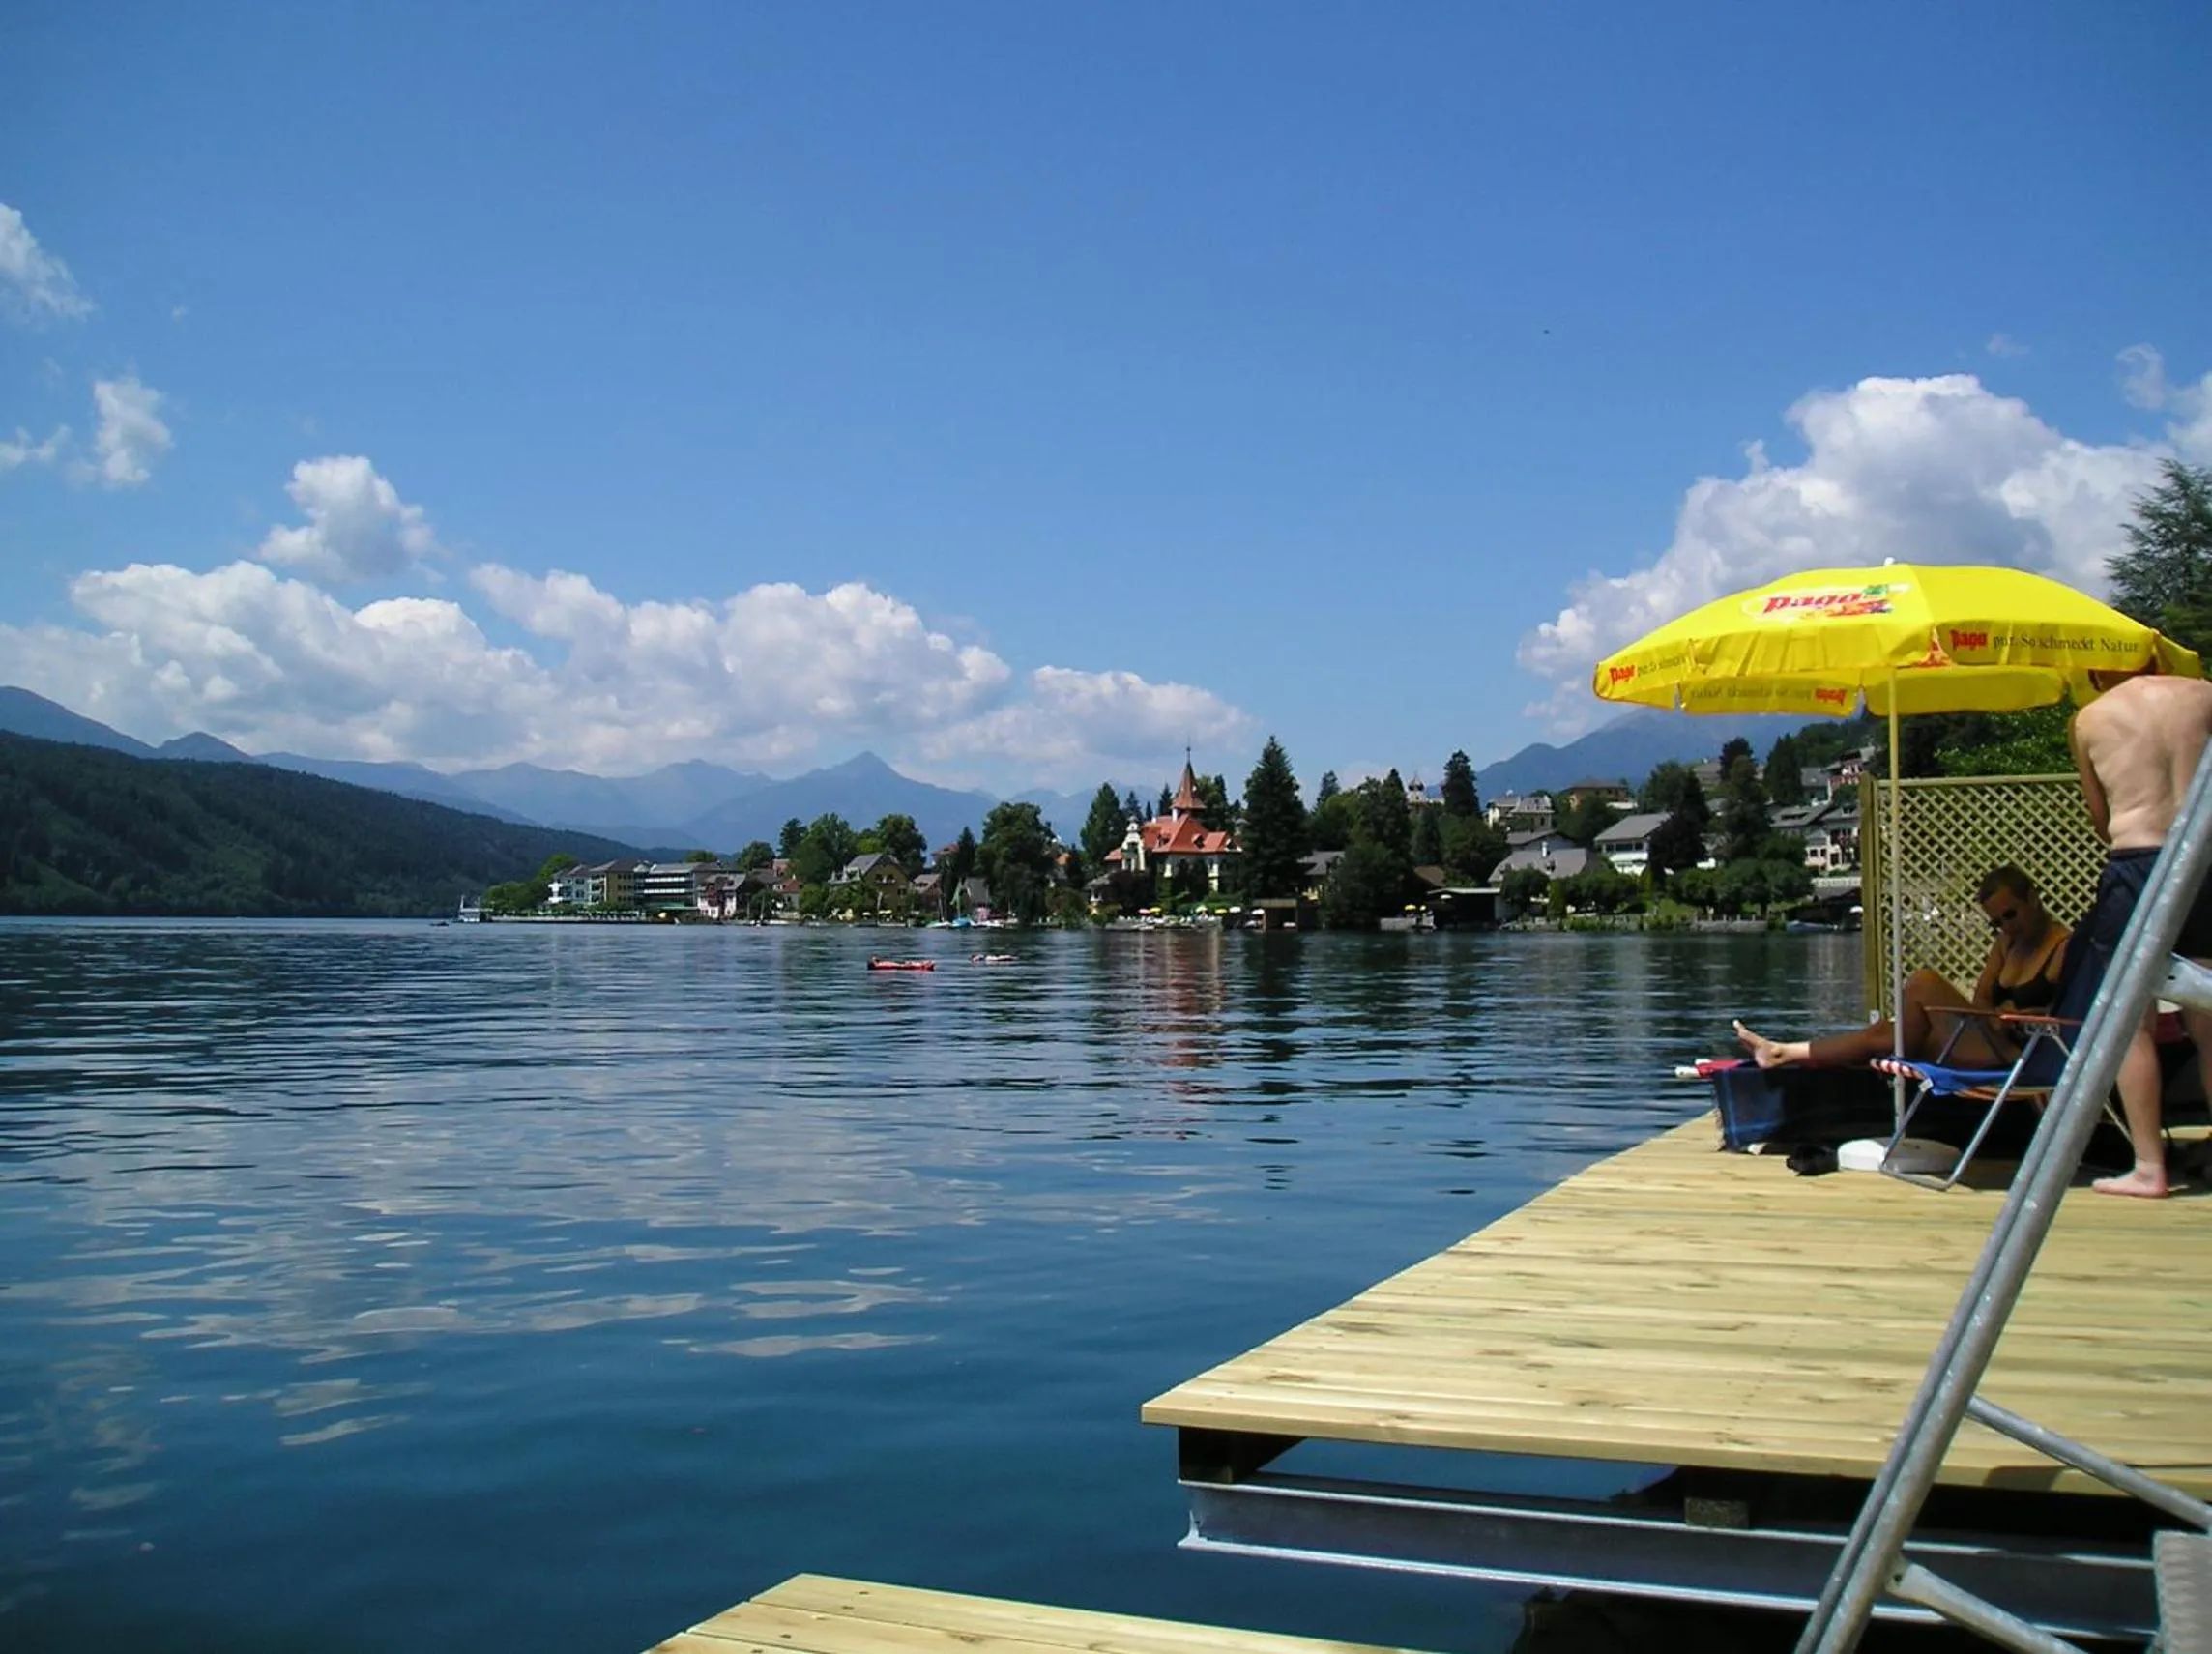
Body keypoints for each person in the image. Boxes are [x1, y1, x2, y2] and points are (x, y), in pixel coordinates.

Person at [2065, 671, 2212, 1198]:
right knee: (2209, 1011)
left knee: (2130, 1020)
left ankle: (2150, 1167)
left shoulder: (2090, 720)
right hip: (2205, 854)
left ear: (2099, 671)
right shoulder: (2203, 693)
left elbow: (2102, 819)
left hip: (2138, 860)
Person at [1733, 866, 2069, 1070]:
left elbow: (2064, 1022)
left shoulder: (2061, 947)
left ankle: (1784, 1053)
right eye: (1996, 922)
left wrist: (2014, 1017)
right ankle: (1783, 1052)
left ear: (2033, 898)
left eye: (2010, 915)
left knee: (1923, 982)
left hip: (2017, 1055)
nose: (2006, 926)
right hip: (1986, 1037)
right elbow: (1982, 1001)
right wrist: (1995, 1015)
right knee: (1884, 1032)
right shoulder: (2007, 944)